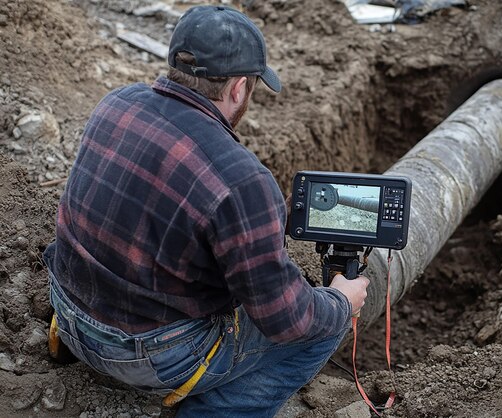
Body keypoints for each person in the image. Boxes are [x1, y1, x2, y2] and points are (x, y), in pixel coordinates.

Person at [43, 5, 370, 417]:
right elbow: (287, 319)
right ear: (238, 88)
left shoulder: (117, 104)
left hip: (69, 313)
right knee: (321, 327)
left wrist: (267, 219)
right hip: (149, 355)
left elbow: (161, 205)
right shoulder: (241, 179)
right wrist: (341, 301)